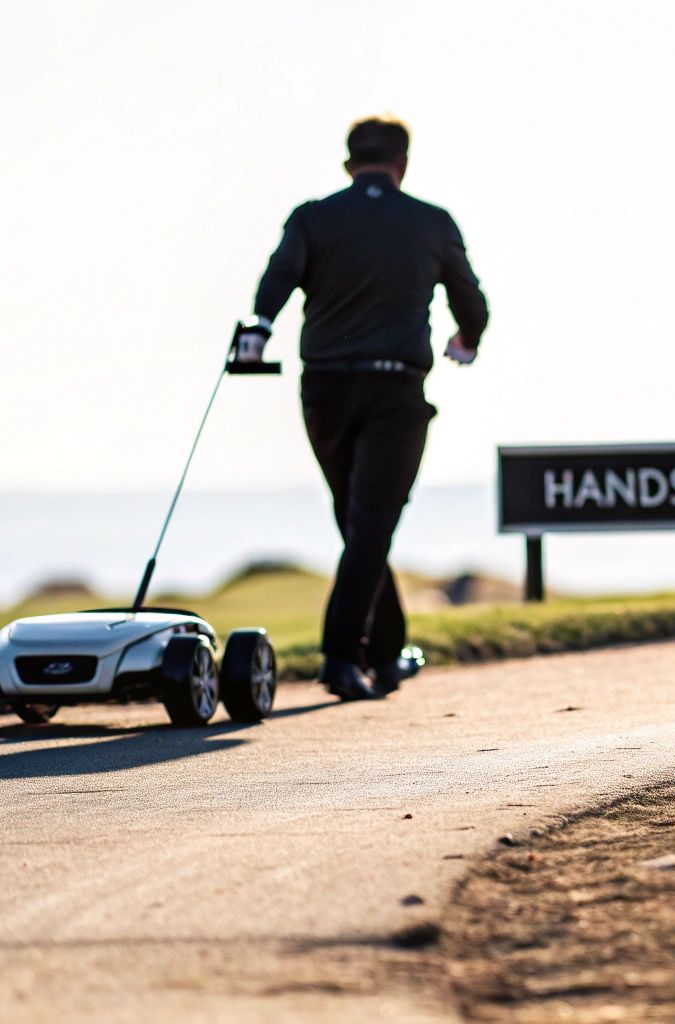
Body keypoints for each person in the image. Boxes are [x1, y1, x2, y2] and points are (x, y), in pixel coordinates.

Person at [234, 116, 488, 701]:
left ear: (350, 164)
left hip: (324, 391)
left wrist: (259, 333)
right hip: (394, 392)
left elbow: (276, 281)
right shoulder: (431, 221)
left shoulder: (312, 217)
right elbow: (470, 301)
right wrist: (466, 341)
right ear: (402, 164)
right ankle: (341, 658)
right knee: (369, 523)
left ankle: (387, 651)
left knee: (360, 523)